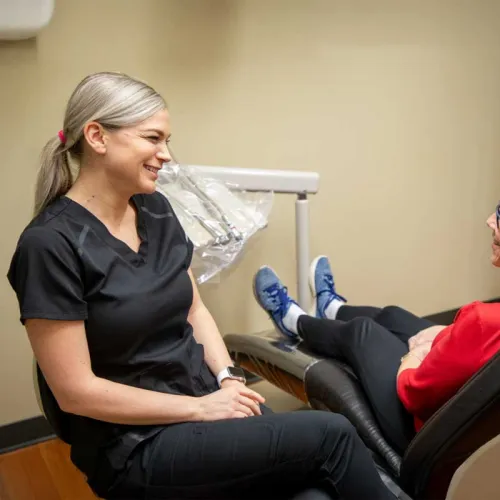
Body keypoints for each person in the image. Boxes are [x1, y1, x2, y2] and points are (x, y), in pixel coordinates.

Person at [6, 72, 396, 500]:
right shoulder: (49, 245)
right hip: (137, 443)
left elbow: (194, 310)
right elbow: (76, 393)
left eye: (167, 140)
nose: (166, 155)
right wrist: (201, 409)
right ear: (97, 136)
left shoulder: (155, 210)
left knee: (314, 495)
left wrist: (228, 379)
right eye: (152, 139)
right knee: (333, 435)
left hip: (205, 399)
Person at [253, 208, 500, 457]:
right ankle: (330, 309)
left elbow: (413, 393)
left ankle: (294, 322)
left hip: (430, 437)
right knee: (393, 316)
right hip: (460, 406)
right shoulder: (485, 323)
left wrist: (415, 356)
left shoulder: (483, 323)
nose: (489, 220)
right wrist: (449, 333)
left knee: (363, 332)